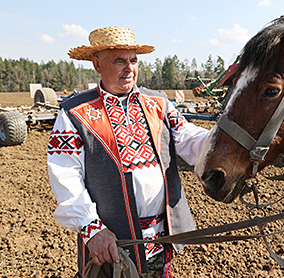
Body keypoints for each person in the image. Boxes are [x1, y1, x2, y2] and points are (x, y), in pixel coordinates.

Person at [47, 26, 210, 278]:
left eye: (133, 60)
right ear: (97, 64)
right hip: (111, 248)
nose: (129, 67)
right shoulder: (75, 113)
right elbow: (65, 176)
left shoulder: (159, 103)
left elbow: (189, 139)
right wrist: (92, 230)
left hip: (160, 243)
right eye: (119, 60)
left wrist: (225, 140)